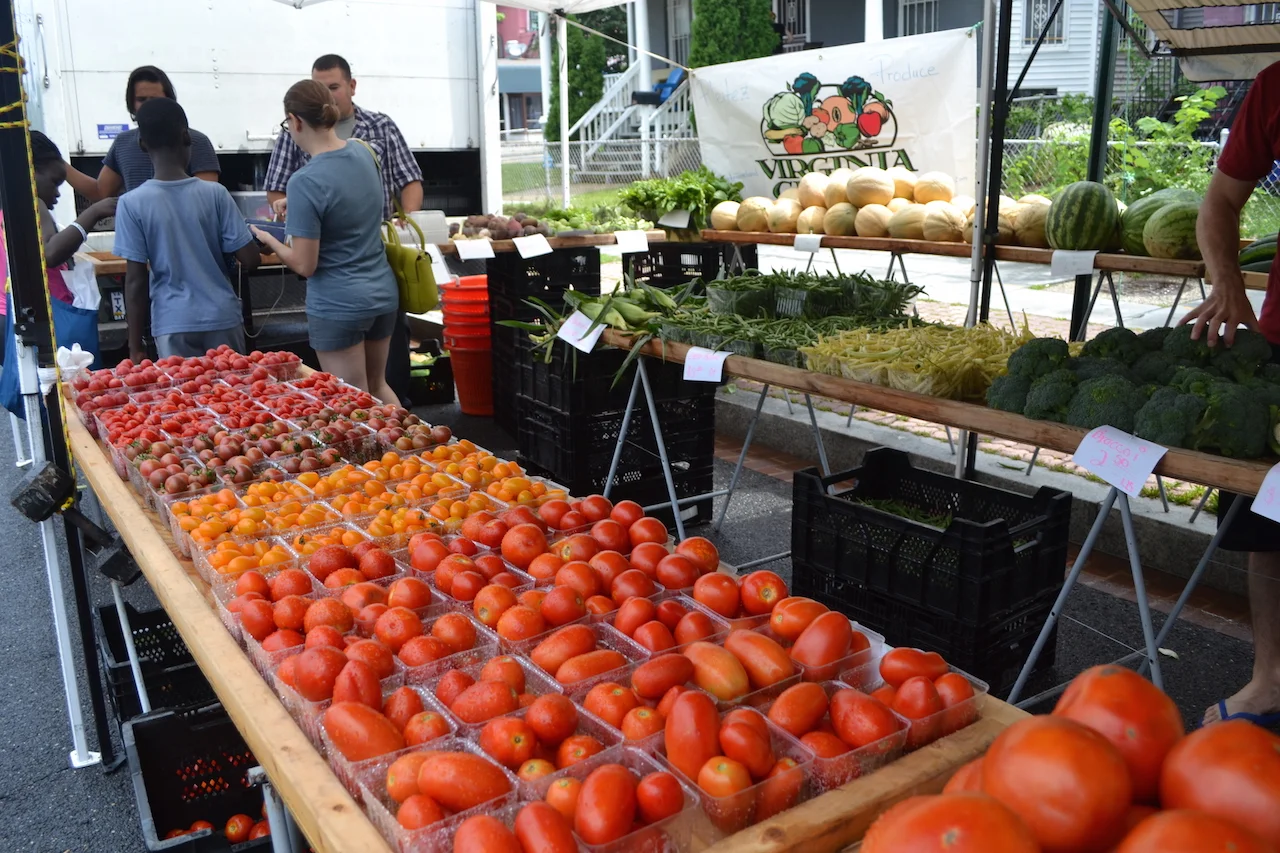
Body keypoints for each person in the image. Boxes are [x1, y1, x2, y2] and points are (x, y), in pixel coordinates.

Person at [1185, 61, 1280, 728]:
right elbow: (1219, 202)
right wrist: (1228, 282)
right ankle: (1270, 680)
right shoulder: (1275, 89)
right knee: (1268, 522)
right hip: (1279, 352)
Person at [264, 54, 421, 404]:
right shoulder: (365, 153)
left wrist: (268, 239)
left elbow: (305, 264)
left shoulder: (304, 181)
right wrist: (297, 204)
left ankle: (389, 445)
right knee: (379, 387)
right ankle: (408, 440)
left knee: (351, 401)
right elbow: (347, 200)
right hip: (382, 294)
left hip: (338, 303)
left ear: (295, 121)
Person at [113, 98, 259, 361]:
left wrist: (134, 346)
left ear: (142, 144)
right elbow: (250, 259)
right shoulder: (216, 194)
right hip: (221, 317)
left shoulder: (131, 203)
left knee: (183, 388)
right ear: (187, 137)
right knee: (233, 386)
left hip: (172, 323)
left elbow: (135, 281)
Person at [64, 66, 221, 200]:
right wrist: (59, 164)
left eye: (155, 99)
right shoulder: (123, 143)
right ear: (131, 103)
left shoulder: (196, 141)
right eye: (142, 99)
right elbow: (101, 192)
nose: (149, 106)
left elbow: (206, 200)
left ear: (169, 100)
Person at [31, 131, 118, 363]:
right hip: (53, 319)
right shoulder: (35, 204)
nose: (57, 193)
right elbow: (50, 253)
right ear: (31, 171)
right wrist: (93, 213)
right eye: (54, 182)